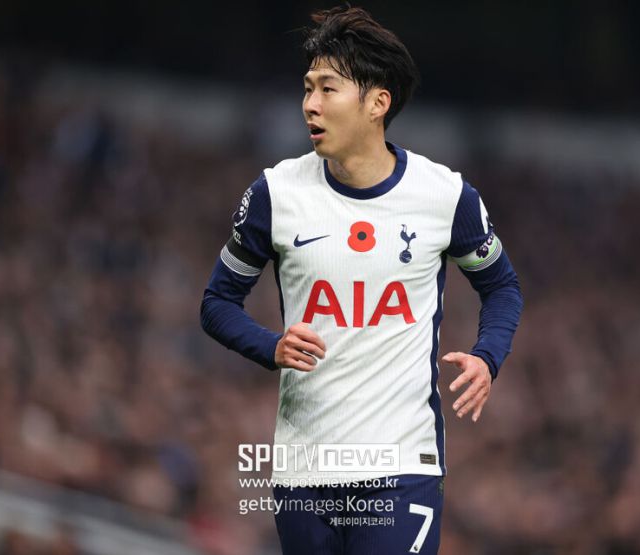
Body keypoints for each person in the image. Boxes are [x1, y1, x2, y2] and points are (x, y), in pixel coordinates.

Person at [201, 6, 523, 554]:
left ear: (378, 103)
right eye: (307, 88)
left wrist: (487, 356)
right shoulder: (276, 194)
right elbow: (217, 303)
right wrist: (270, 346)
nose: (310, 103)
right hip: (304, 467)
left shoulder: (445, 197)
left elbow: (501, 287)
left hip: (403, 465)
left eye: (328, 88)